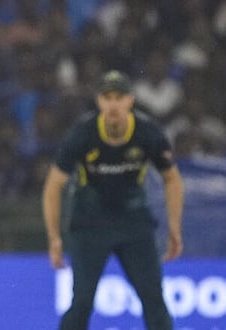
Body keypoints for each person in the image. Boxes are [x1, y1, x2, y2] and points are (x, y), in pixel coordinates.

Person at [42, 70, 184, 330]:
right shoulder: (83, 134)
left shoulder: (148, 134)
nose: (114, 104)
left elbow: (172, 179)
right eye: (107, 97)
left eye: (119, 97)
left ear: (130, 100)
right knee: (82, 302)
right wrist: (54, 238)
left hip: (134, 223)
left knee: (154, 300)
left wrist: (174, 227)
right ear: (99, 102)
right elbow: (53, 186)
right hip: (89, 225)